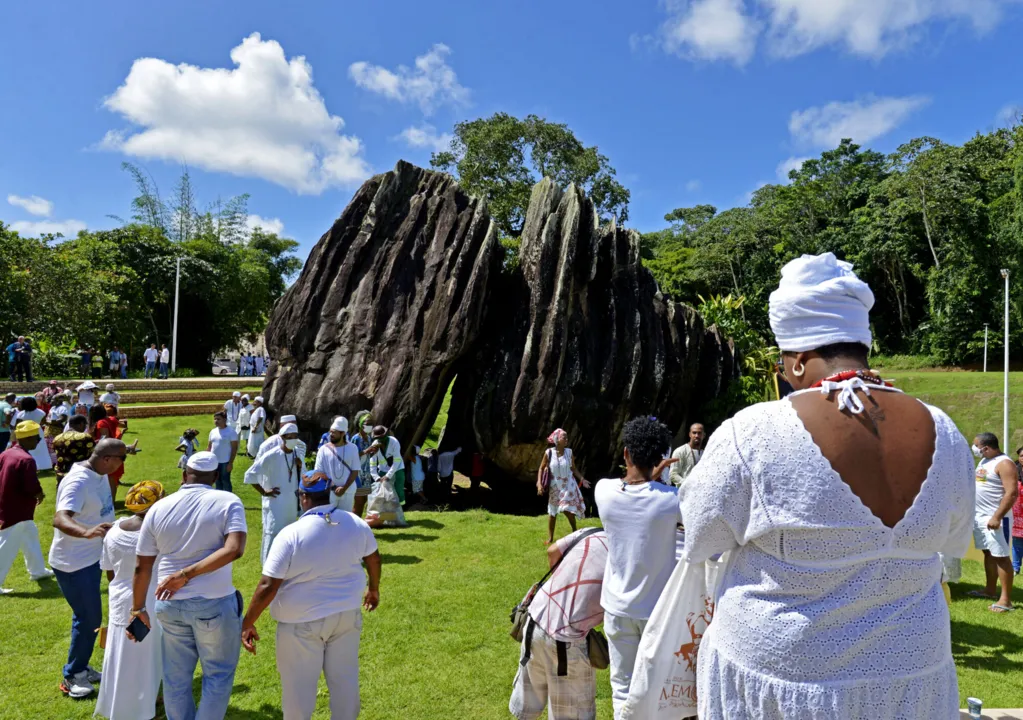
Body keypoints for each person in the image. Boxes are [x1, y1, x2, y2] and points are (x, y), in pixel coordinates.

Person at [675, 252, 974, 719]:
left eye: (780, 361)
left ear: (796, 361)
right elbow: (954, 539)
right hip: (910, 679)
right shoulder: (946, 432)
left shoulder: (755, 431)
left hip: (785, 679)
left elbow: (698, 533)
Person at [241, 472, 382, 720]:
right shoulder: (355, 522)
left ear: (303, 497)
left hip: (300, 622)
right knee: (345, 680)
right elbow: (373, 557)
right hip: (346, 615)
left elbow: (267, 585)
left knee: (298, 690)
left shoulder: (291, 534)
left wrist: (248, 622)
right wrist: (373, 588)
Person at [131, 451, 247, 720]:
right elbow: (235, 549)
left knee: (175, 677)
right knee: (217, 674)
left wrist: (137, 609)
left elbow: (142, 565)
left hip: (168, 604)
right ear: (216, 476)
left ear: (184, 475)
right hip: (213, 603)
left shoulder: (159, 507)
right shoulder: (228, 500)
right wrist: (187, 574)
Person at [593, 416, 680, 717]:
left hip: (617, 609)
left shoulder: (603, 492)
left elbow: (633, 491)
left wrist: (650, 477)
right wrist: (657, 479)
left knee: (622, 689)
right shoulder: (673, 501)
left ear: (626, 454)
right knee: (658, 691)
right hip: (657, 612)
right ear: (660, 460)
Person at [509, 527, 608, 720]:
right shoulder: (632, 556)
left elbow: (552, 551)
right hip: (566, 638)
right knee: (573, 713)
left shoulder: (593, 531)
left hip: (535, 617)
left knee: (527, 710)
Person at [49, 438, 122, 698]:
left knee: (88, 616)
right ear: (106, 459)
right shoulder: (77, 481)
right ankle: (72, 675)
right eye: (120, 459)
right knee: (89, 617)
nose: (121, 464)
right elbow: (60, 518)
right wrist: (87, 532)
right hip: (73, 562)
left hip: (92, 559)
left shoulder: (98, 472)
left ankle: (81, 666)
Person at [94, 480, 165, 720]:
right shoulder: (158, 534)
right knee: (147, 653)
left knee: (122, 652)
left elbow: (109, 570)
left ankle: (126, 702)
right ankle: (144, 706)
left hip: (120, 595)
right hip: (147, 597)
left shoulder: (113, 531)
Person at [0, 421, 54, 593]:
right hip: (17, 508)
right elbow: (30, 486)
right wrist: (39, 494)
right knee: (6, 545)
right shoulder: (27, 459)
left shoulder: (7, 453)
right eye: (37, 438)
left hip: (7, 502)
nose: (39, 441)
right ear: (28, 438)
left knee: (30, 535)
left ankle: (37, 571)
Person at [969, 432, 1018, 612]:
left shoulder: (1004, 463)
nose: (974, 449)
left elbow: (1012, 493)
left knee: (1001, 556)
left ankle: (1005, 601)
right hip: (981, 517)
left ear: (986, 447)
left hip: (997, 518)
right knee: (988, 553)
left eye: (976, 445)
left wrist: (997, 516)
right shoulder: (984, 461)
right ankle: (990, 590)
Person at [244, 423, 303, 563]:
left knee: (289, 536)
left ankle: (284, 564)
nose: (293, 440)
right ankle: (267, 567)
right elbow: (250, 475)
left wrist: (300, 466)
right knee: (271, 535)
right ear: (282, 438)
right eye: (290, 437)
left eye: (296, 437)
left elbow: (304, 477)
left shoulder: (297, 454)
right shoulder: (272, 455)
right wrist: (264, 491)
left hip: (291, 504)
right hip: (276, 504)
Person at [537, 430, 589, 546]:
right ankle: (550, 538)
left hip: (568, 485)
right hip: (554, 486)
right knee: (552, 513)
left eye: (567, 437)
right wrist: (539, 483)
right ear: (557, 440)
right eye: (564, 438)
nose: (566, 439)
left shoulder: (569, 452)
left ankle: (574, 531)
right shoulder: (549, 453)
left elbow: (573, 468)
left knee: (567, 509)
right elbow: (541, 468)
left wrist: (582, 479)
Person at [315, 417, 360, 512]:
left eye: (334, 432)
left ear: (342, 433)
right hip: (329, 491)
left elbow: (355, 470)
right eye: (330, 432)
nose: (331, 434)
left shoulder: (353, 448)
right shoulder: (323, 449)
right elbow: (318, 472)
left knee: (345, 520)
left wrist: (344, 488)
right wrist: (334, 487)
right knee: (329, 520)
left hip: (348, 491)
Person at [368, 426, 407, 505]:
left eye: (382, 437)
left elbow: (396, 461)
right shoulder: (375, 444)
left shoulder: (394, 442)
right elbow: (372, 462)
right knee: (382, 492)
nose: (381, 439)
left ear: (386, 435)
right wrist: (376, 477)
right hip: (383, 469)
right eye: (378, 438)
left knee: (398, 490)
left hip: (397, 469)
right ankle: (385, 512)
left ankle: (400, 510)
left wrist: (388, 476)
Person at [52, 415, 94, 485]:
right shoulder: (85, 437)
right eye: (85, 424)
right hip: (80, 474)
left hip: (62, 474)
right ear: (81, 424)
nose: (85, 427)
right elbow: (93, 453)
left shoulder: (57, 438)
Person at [14, 396, 51, 472]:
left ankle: (29, 467)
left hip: (25, 433)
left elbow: (17, 426)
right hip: (37, 432)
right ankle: (43, 466)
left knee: (28, 450)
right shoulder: (41, 412)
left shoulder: (21, 414)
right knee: (41, 450)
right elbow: (43, 422)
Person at [207, 411, 239, 493]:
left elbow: (234, 449)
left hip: (225, 462)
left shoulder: (231, 432)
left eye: (218, 419)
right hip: (214, 462)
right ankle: (219, 499)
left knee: (225, 481)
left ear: (225, 419)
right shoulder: (213, 431)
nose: (216, 421)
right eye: (215, 419)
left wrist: (230, 463)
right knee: (217, 481)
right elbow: (209, 447)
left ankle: (229, 499)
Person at [351, 411, 375, 517]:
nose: (370, 426)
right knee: (359, 500)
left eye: (371, 424)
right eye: (367, 423)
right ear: (361, 424)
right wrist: (367, 450)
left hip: (366, 473)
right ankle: (354, 522)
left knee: (364, 499)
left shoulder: (369, 438)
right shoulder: (356, 438)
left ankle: (359, 523)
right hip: (358, 474)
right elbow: (352, 455)